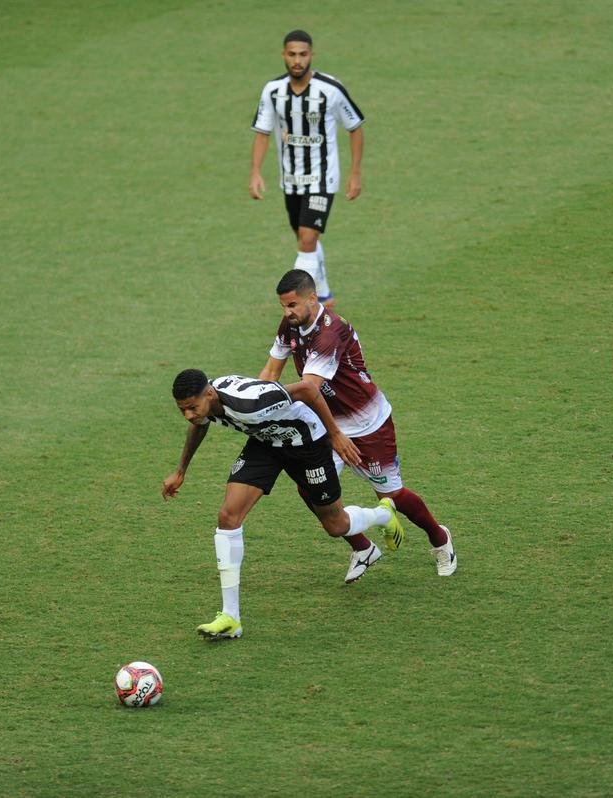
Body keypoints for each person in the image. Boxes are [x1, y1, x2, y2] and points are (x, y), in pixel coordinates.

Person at [162, 369, 404, 640]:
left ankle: (383, 514)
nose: (189, 415)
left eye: (192, 408)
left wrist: (335, 435)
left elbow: (307, 390)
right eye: (182, 410)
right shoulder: (207, 404)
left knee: (336, 525)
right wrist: (181, 469)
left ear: (208, 394)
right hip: (266, 444)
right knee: (228, 517)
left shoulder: (251, 402)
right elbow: (199, 424)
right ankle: (231, 617)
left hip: (307, 445)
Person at [258, 269, 457, 576]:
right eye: (283, 306)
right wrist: (257, 404)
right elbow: (270, 374)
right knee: (310, 487)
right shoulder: (290, 325)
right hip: (327, 422)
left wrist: (258, 404)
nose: (287, 312)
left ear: (312, 298)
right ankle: (363, 548)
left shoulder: (329, 333)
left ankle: (439, 538)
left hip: (368, 424)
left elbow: (309, 388)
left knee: (391, 496)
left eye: (293, 305)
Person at [249, 29, 365, 306]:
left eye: (303, 54)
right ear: (284, 56)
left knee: (307, 239)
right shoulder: (273, 91)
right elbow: (262, 132)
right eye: (292, 54)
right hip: (290, 180)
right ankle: (323, 294)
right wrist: (255, 171)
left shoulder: (330, 89)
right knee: (304, 238)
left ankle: (301, 307)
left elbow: (355, 126)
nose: (297, 60)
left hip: (323, 179)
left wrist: (355, 172)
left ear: (312, 55)